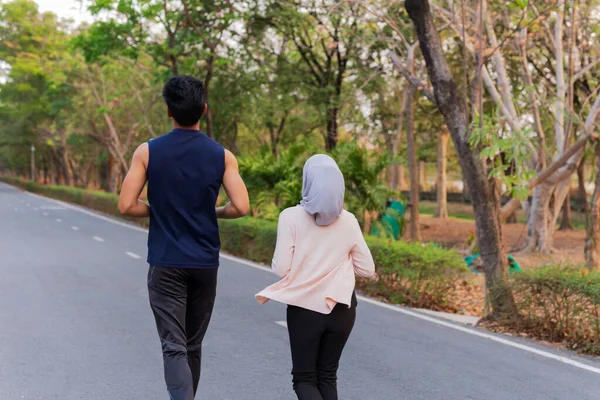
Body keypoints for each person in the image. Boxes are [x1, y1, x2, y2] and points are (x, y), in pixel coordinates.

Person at [118, 75, 250, 400]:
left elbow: (125, 205)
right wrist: (213, 212)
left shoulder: (147, 152)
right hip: (205, 264)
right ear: (204, 109)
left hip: (165, 262)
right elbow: (242, 207)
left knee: (173, 346)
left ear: (168, 111)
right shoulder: (223, 156)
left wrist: (158, 209)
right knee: (192, 344)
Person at [256, 154, 375, 400]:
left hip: (305, 310)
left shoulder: (290, 217)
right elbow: (367, 269)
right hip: (343, 310)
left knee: (305, 379)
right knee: (327, 376)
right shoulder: (349, 220)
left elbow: (280, 269)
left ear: (308, 181)